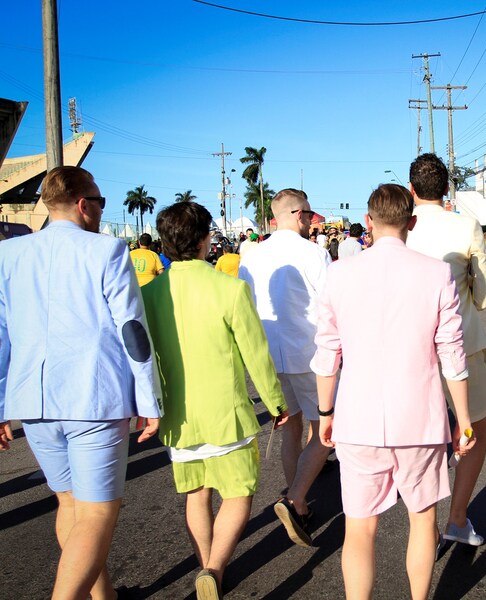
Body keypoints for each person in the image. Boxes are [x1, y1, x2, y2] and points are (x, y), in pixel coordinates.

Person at [0, 166, 162, 600]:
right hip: (94, 397)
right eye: (101, 202)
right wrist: (149, 399)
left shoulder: (9, 255)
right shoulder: (106, 250)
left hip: (33, 402)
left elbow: (1, 333)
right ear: (83, 203)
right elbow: (132, 331)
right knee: (97, 514)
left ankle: (102, 596)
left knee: (69, 505)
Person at [312, 183, 476, 600]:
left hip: (358, 419)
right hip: (420, 421)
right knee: (422, 521)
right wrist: (464, 419)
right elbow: (451, 354)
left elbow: (328, 352)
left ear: (369, 221)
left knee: (360, 528)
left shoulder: (339, 273)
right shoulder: (437, 273)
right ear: (412, 223)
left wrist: (325, 412)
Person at [142, 202, 289, 600]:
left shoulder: (149, 295)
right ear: (207, 239)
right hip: (227, 415)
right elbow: (255, 354)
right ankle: (215, 567)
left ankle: (208, 571)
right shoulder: (230, 288)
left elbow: (142, 356)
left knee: (197, 495)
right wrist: (276, 403)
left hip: (178, 417)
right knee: (239, 493)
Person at [406, 152, 486, 546]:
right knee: (473, 430)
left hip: (411, 352)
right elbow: (484, 294)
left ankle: (425, 523)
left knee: (423, 440)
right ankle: (457, 519)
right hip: (463, 344)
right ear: (446, 189)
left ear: (411, 190)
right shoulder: (466, 225)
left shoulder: (400, 229)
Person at [238, 188, 331, 546]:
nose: (311, 220)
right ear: (294, 214)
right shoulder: (314, 253)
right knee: (324, 429)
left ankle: (302, 502)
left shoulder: (252, 256)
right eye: (308, 214)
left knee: (290, 426)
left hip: (268, 357)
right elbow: (329, 307)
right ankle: (294, 499)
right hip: (308, 353)